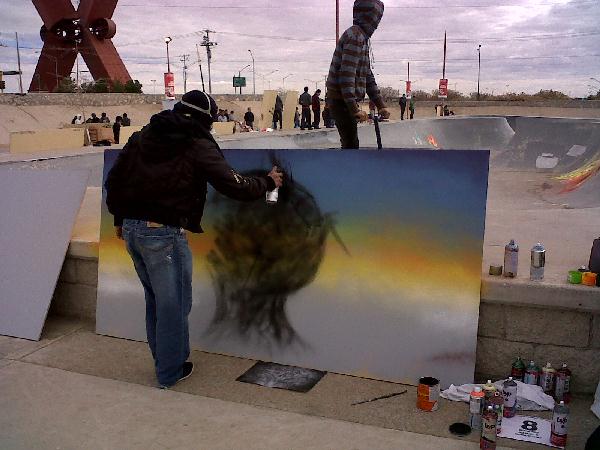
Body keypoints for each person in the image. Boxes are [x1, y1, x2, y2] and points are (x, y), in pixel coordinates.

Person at [104, 90, 283, 389]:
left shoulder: (143, 135)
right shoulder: (196, 142)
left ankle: (166, 363)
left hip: (133, 231)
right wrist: (266, 182)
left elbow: (116, 179)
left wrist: (120, 218)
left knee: (157, 302)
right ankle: (170, 372)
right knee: (174, 305)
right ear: (206, 118)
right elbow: (233, 184)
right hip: (163, 233)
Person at [325, 0, 389, 148]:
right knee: (350, 144)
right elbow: (346, 76)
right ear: (369, 16)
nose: (377, 23)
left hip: (344, 100)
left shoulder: (363, 39)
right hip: (340, 100)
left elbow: (367, 76)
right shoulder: (355, 37)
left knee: (351, 143)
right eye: (376, 18)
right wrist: (354, 109)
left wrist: (381, 105)